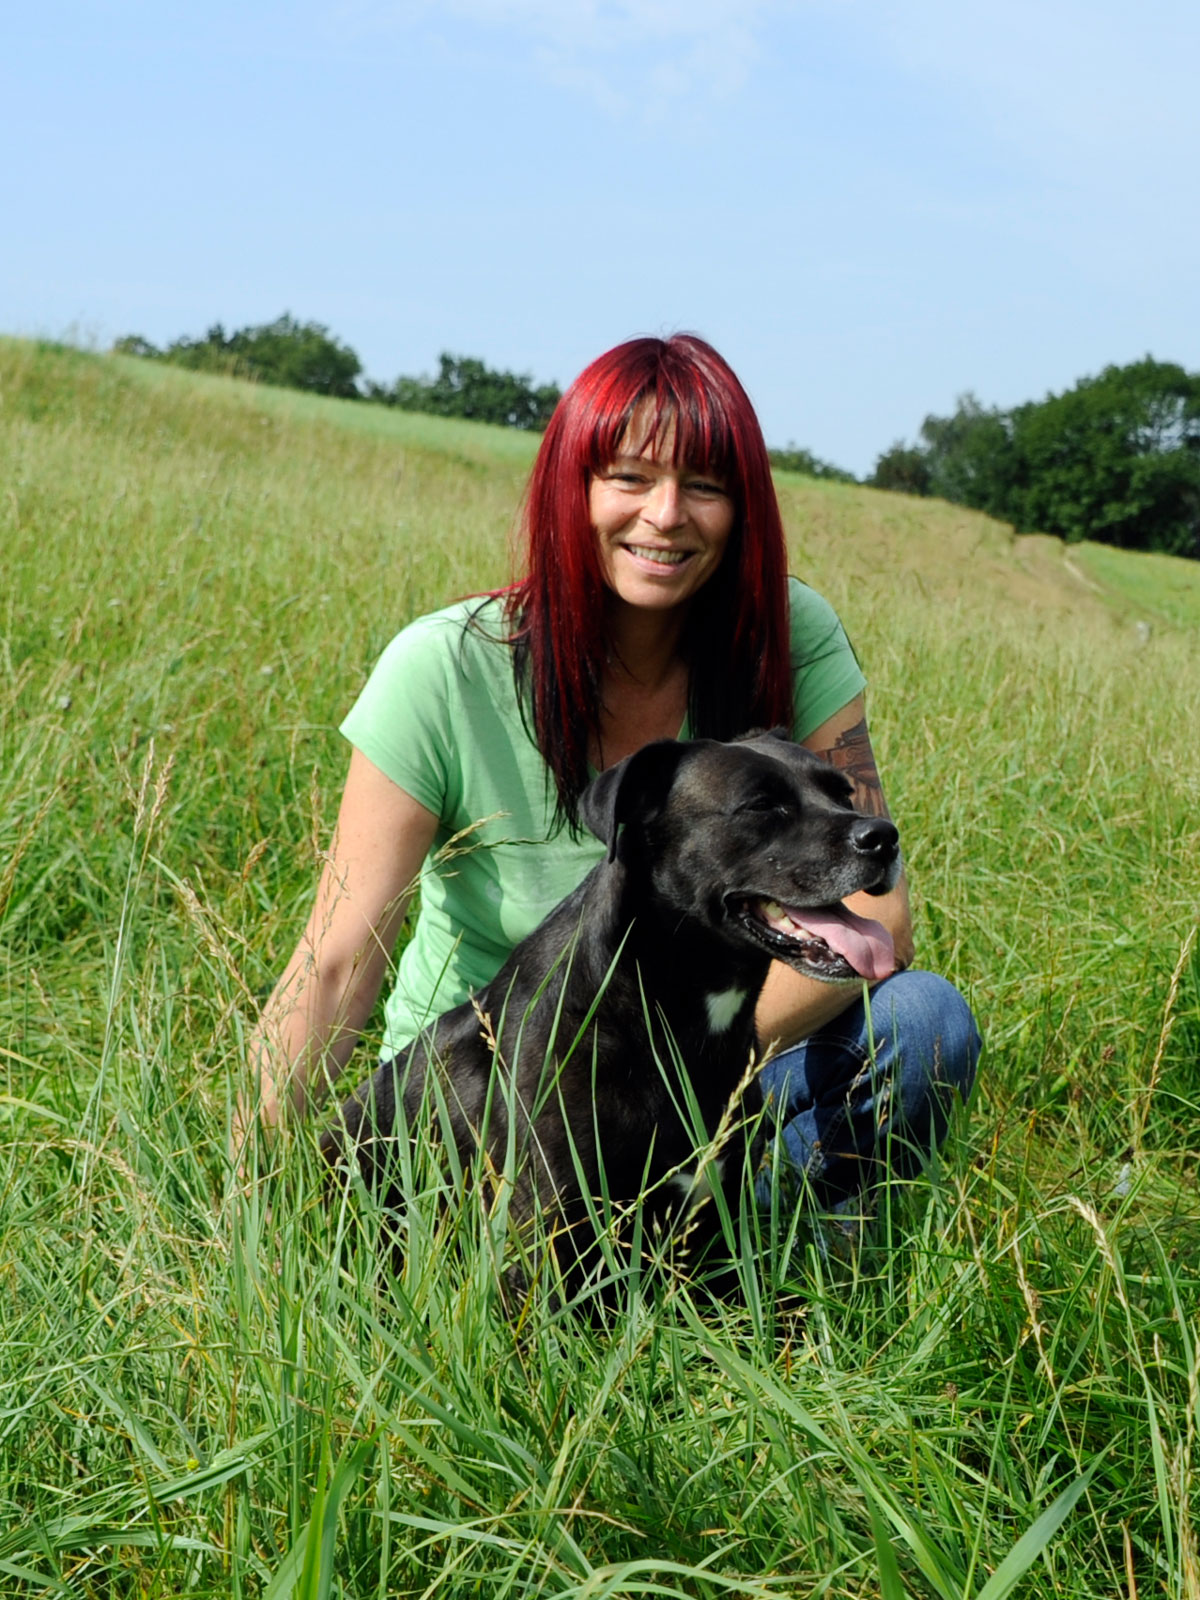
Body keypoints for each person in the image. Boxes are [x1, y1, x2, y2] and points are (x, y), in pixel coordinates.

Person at [246, 333, 980, 1226]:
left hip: (727, 1060)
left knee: (922, 1023)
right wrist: (254, 1209)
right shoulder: (443, 667)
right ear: (572, 489)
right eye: (629, 477)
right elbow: (335, 960)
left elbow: (879, 913)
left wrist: (693, 1080)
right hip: (498, 1095)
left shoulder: (788, 630)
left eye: (704, 485)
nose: (666, 515)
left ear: (743, 508)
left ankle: (785, 1290)